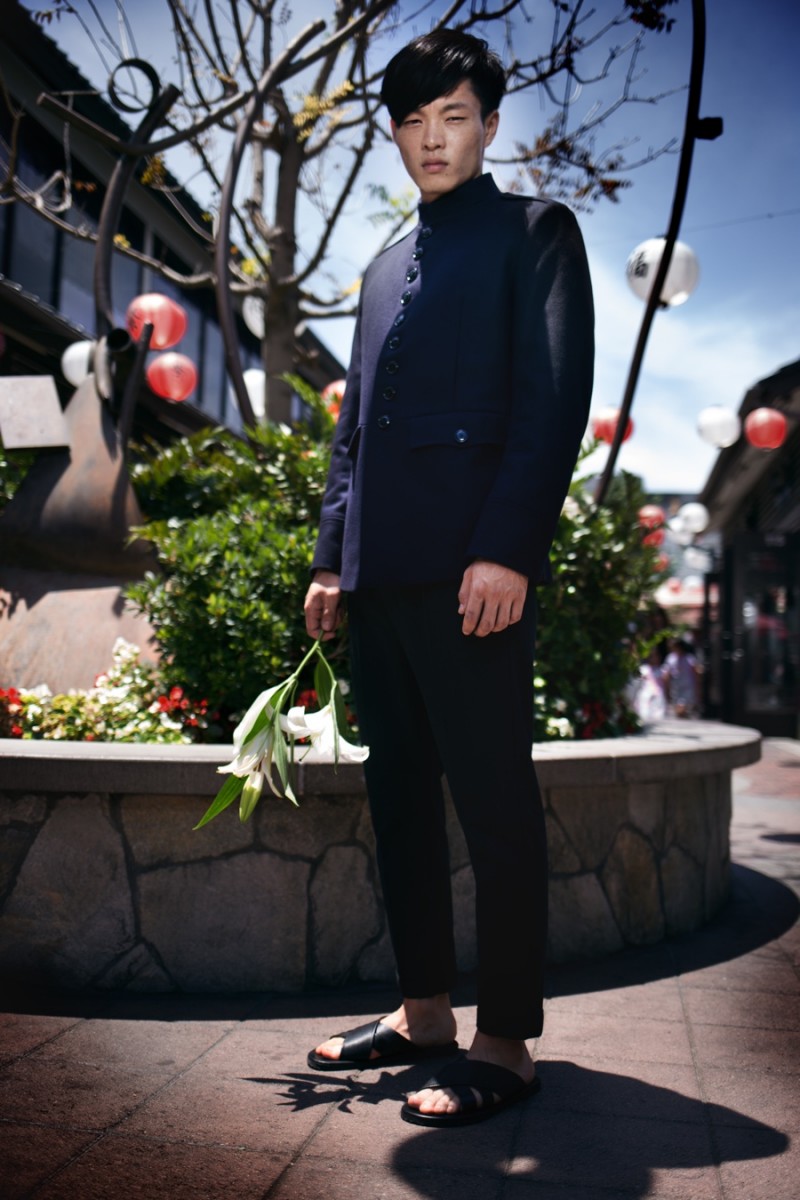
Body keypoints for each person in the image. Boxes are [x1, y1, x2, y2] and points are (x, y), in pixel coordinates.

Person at [303, 28, 594, 1128]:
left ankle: (504, 1043)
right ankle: (423, 1013)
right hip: (379, 580)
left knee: (492, 803)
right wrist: (332, 561)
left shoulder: (535, 233)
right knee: (400, 806)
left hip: (476, 572)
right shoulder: (381, 267)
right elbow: (354, 436)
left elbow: (552, 395)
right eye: (415, 123)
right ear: (392, 134)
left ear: (487, 122)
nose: (433, 139)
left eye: (455, 117)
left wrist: (509, 546)